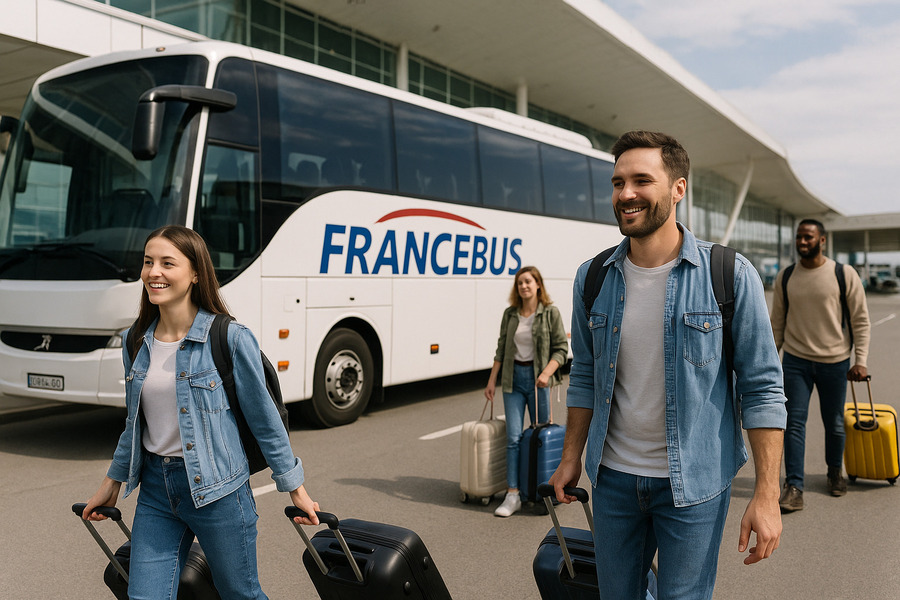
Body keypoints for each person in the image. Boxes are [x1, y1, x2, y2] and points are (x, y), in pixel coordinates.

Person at [549, 131, 787, 599]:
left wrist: (767, 493)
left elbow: (761, 388)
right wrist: (571, 456)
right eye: (618, 183)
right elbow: (584, 376)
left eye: (642, 180)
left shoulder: (729, 275)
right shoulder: (593, 277)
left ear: (678, 188)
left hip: (694, 484)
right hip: (613, 479)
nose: (626, 194)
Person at [81, 225, 319, 599]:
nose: (153, 272)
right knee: (143, 595)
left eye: (167, 263)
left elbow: (265, 422)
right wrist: (110, 483)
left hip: (220, 491)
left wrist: (295, 489)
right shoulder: (136, 340)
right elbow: (134, 424)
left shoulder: (230, 338)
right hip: (157, 492)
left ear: (194, 274)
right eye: (148, 262)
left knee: (241, 595)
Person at [770, 219, 870, 512]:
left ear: (822, 240)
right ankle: (795, 486)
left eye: (808, 237)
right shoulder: (786, 277)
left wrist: (860, 361)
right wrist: (767, 361)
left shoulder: (843, 274)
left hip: (835, 361)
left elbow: (861, 321)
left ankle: (834, 472)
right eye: (799, 237)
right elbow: (776, 324)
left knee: (835, 423)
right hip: (796, 362)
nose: (802, 241)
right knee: (793, 424)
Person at [484, 265, 568, 517]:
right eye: (520, 282)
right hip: (512, 380)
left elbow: (561, 349)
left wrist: (546, 372)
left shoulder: (550, 313)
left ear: (538, 285)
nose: (524, 286)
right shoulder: (510, 314)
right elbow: (501, 349)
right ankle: (513, 494)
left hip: (538, 381)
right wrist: (491, 381)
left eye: (528, 282)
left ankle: (540, 489)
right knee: (513, 439)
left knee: (540, 439)